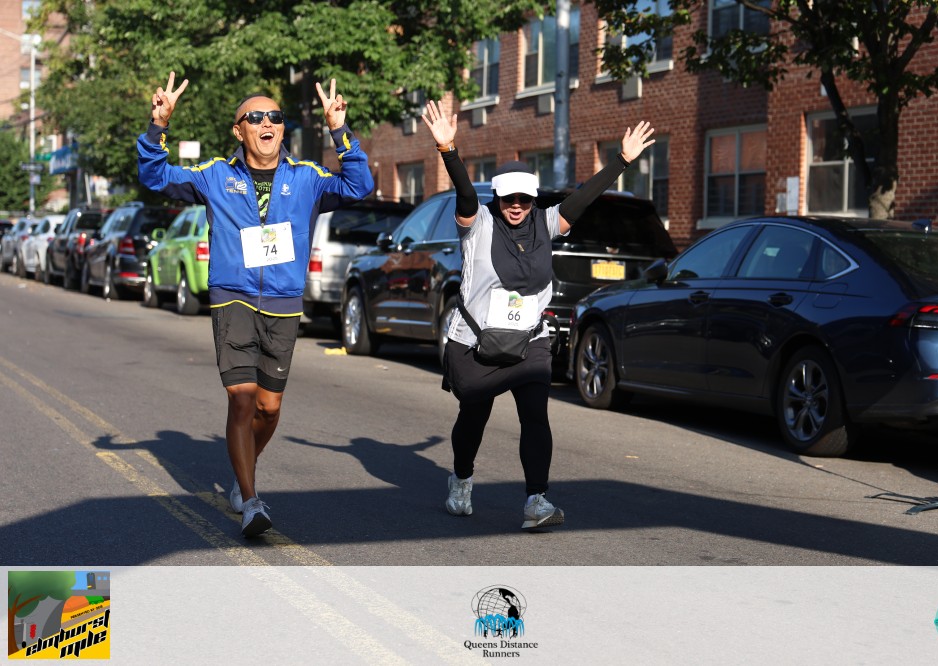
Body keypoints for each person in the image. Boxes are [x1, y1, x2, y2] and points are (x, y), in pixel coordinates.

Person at [138, 72, 374, 537]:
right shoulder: (215, 175)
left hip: (283, 303)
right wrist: (158, 126)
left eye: (275, 117)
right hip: (233, 298)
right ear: (238, 130)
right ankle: (250, 500)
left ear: (282, 129)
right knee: (242, 400)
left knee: (268, 407)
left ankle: (242, 468)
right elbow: (154, 176)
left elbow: (359, 185)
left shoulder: (307, 178)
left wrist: (339, 131)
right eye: (255, 117)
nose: (267, 123)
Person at [421, 99, 654, 530]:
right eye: (508, 198)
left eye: (524, 199)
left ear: (533, 199)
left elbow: (581, 200)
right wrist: (448, 150)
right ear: (498, 197)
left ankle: (536, 500)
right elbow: (466, 194)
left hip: (530, 341)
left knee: (535, 416)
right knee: (473, 416)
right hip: (475, 345)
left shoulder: (546, 223)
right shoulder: (478, 224)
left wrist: (621, 160)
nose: (516, 205)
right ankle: (462, 479)